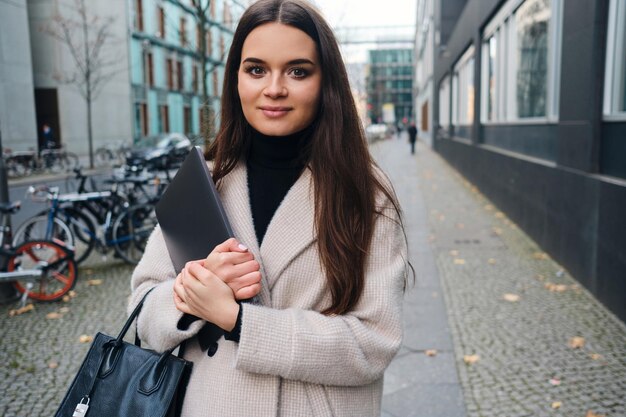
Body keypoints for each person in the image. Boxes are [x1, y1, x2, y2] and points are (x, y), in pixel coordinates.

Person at [129, 1, 410, 416]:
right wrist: (192, 293)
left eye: (298, 71)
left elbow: (373, 342)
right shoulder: (205, 181)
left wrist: (240, 320)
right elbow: (141, 308)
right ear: (236, 78)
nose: (274, 88)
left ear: (325, 82)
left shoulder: (365, 195)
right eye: (256, 69)